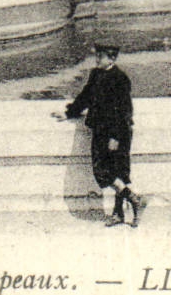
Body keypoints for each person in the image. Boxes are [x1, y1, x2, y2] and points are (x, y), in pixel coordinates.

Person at [57, 43, 147, 227]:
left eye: (101, 56)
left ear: (112, 59)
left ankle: (121, 210)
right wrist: (68, 113)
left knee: (114, 171)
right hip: (100, 129)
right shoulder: (96, 74)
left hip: (117, 132)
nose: (97, 59)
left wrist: (115, 137)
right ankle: (133, 201)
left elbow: (124, 110)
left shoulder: (120, 79)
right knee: (104, 172)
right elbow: (85, 97)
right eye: (97, 56)